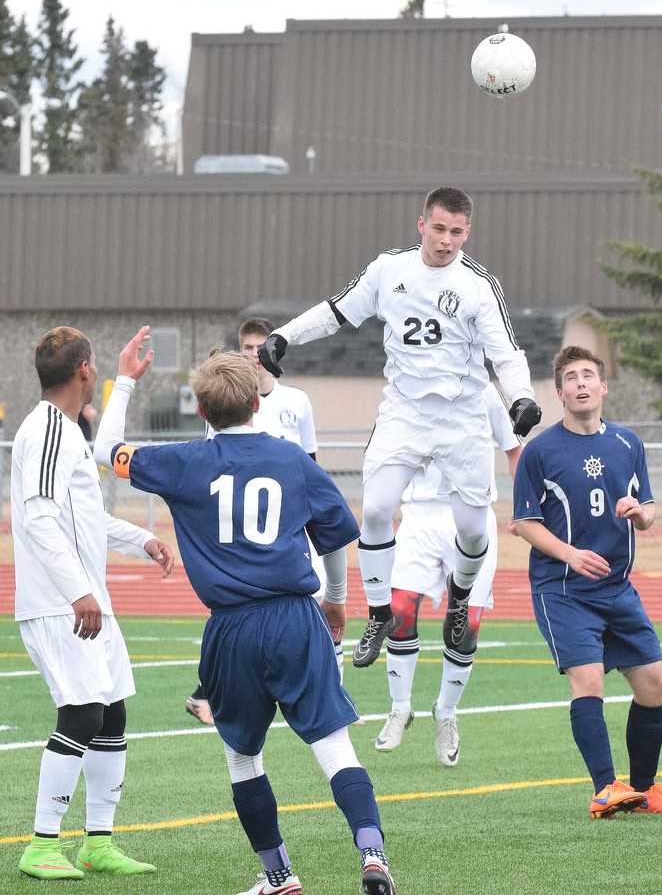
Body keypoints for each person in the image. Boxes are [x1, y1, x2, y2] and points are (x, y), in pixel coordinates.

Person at [93, 328, 396, 895]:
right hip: (294, 617)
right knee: (334, 748)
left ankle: (279, 875)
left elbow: (106, 453)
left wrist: (128, 382)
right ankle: (373, 854)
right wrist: (334, 600)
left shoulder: (183, 461)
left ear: (202, 409)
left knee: (242, 759)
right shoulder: (290, 460)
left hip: (231, 627)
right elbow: (334, 538)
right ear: (259, 401)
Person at [258, 185, 541, 668]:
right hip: (404, 412)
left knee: (474, 534)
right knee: (375, 510)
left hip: (462, 417)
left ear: (467, 232)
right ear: (421, 224)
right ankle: (379, 612)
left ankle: (459, 597)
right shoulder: (389, 270)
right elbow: (335, 311)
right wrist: (285, 335)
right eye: (438, 228)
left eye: (456, 232)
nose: (446, 240)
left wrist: (523, 399)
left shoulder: (478, 284)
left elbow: (506, 353)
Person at [11, 327, 176, 880]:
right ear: (85, 368)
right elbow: (35, 518)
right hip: (61, 604)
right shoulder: (46, 430)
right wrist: (78, 590)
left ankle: (98, 843)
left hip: (86, 599)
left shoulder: (67, 431)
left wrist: (141, 540)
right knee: (81, 714)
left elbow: (81, 518)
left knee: (112, 714)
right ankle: (40, 845)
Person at [513, 345, 662, 819]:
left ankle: (646, 790)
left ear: (603, 386)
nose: (580, 384)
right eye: (570, 378)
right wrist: (570, 553)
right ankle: (604, 789)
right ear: (559, 392)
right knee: (588, 679)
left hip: (618, 588)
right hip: (564, 590)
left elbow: (648, 508)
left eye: (588, 375)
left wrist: (642, 516)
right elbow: (524, 523)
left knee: (653, 682)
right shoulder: (540, 451)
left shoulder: (628, 444)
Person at [186, 317, 341, 727]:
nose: (254, 355)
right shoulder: (229, 403)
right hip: (240, 519)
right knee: (239, 600)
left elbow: (310, 463)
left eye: (260, 347)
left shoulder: (297, 402)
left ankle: (326, 690)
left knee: (310, 598)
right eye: (247, 348)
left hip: (286, 520)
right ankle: (211, 693)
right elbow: (213, 457)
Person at [375, 383, 521, 766]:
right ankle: (400, 707)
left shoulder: (484, 392)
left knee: (468, 620)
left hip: (471, 515)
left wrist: (523, 508)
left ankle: (446, 713)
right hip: (419, 513)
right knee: (400, 607)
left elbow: (514, 450)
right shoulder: (406, 387)